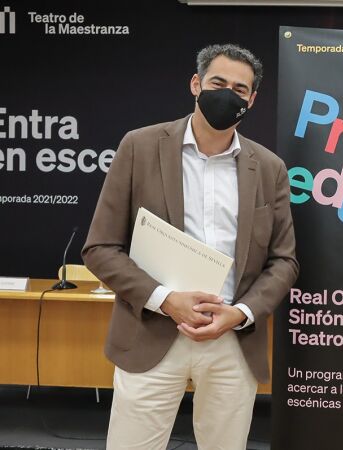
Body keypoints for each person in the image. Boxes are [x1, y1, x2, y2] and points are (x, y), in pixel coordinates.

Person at [82, 44, 299, 449]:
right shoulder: (140, 146)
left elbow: (284, 261)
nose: (227, 94)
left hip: (232, 340)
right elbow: (100, 248)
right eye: (218, 83)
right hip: (151, 332)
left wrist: (239, 314)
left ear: (252, 100)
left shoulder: (269, 168)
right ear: (196, 84)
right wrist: (166, 300)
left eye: (239, 89)